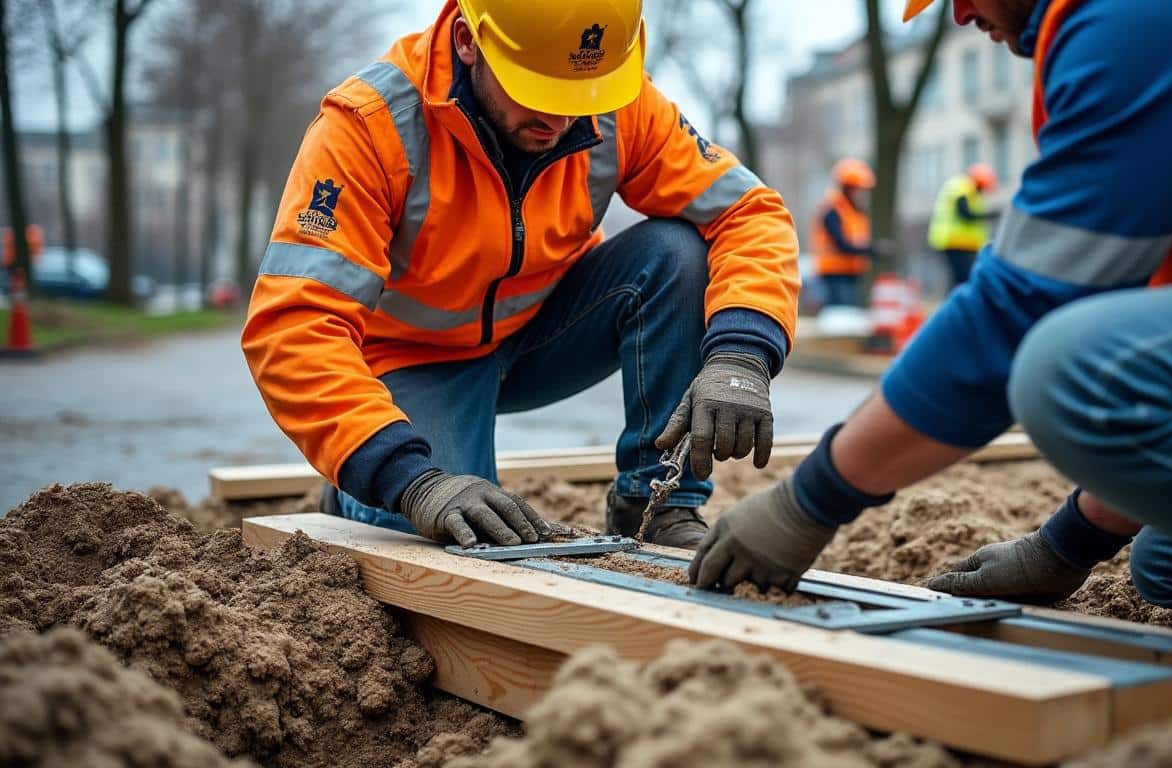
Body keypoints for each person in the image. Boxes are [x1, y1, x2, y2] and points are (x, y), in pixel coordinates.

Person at [689, 0, 1172, 683]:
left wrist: (811, 501)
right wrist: (1063, 547)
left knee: (1071, 368)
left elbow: (1024, 312)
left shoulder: (1149, 18)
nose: (963, 14)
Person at [242, 0, 799, 550]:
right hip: (413, 359)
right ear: (467, 41)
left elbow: (748, 211)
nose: (558, 119)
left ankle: (656, 504)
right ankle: (354, 487)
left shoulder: (614, 103)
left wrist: (741, 353)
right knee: (439, 536)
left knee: (677, 252)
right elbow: (292, 326)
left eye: (578, 96)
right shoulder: (371, 126)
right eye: (536, 91)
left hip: (544, 332)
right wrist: (407, 479)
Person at [810, 159, 875, 307]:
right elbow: (842, 244)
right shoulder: (833, 210)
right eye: (858, 189)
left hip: (850, 273)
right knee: (840, 316)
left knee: (847, 315)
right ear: (847, 188)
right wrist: (871, 249)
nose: (862, 194)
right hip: (834, 274)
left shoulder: (853, 211)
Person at [927, 163, 997, 289]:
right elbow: (965, 214)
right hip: (953, 241)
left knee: (965, 278)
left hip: (966, 244)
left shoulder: (973, 194)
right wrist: (989, 215)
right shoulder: (961, 187)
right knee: (961, 278)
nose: (982, 191)